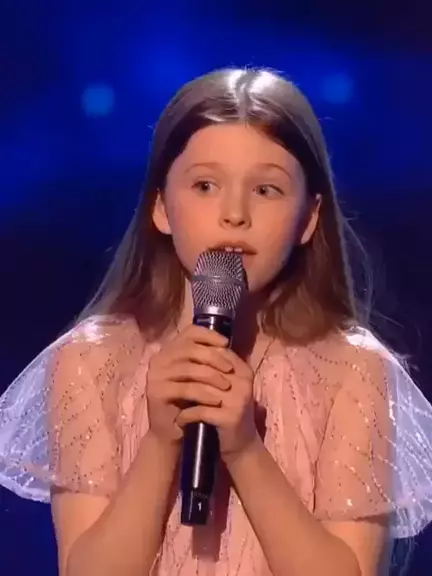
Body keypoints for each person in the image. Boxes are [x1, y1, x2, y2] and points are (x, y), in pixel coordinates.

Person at [1, 67, 432, 576]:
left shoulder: (354, 373)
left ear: (309, 217)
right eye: (205, 185)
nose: (234, 214)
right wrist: (160, 441)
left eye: (266, 190)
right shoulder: (89, 363)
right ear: (161, 206)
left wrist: (246, 449)